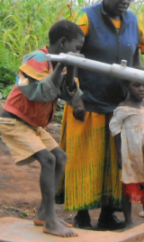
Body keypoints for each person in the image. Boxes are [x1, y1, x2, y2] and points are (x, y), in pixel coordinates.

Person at [55, 0, 144, 230]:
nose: (125, 0)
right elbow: (71, 55)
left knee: (114, 163)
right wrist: (74, 95)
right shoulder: (86, 17)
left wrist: (139, 94)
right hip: (87, 101)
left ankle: (108, 214)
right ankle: (82, 215)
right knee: (84, 161)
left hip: (118, 104)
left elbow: (136, 60)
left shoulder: (133, 22)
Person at [0, 20, 85, 237]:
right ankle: (50, 219)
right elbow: (39, 93)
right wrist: (62, 65)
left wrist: (71, 65)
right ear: (63, 42)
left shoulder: (62, 63)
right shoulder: (36, 59)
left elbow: (69, 93)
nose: (78, 52)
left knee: (60, 157)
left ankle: (41, 214)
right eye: (76, 48)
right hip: (14, 121)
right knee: (48, 160)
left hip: (33, 125)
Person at [109, 69, 144, 228]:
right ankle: (128, 221)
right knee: (129, 185)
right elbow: (115, 131)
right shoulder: (123, 108)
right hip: (131, 155)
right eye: (136, 85)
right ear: (127, 86)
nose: (142, 89)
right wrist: (120, 155)